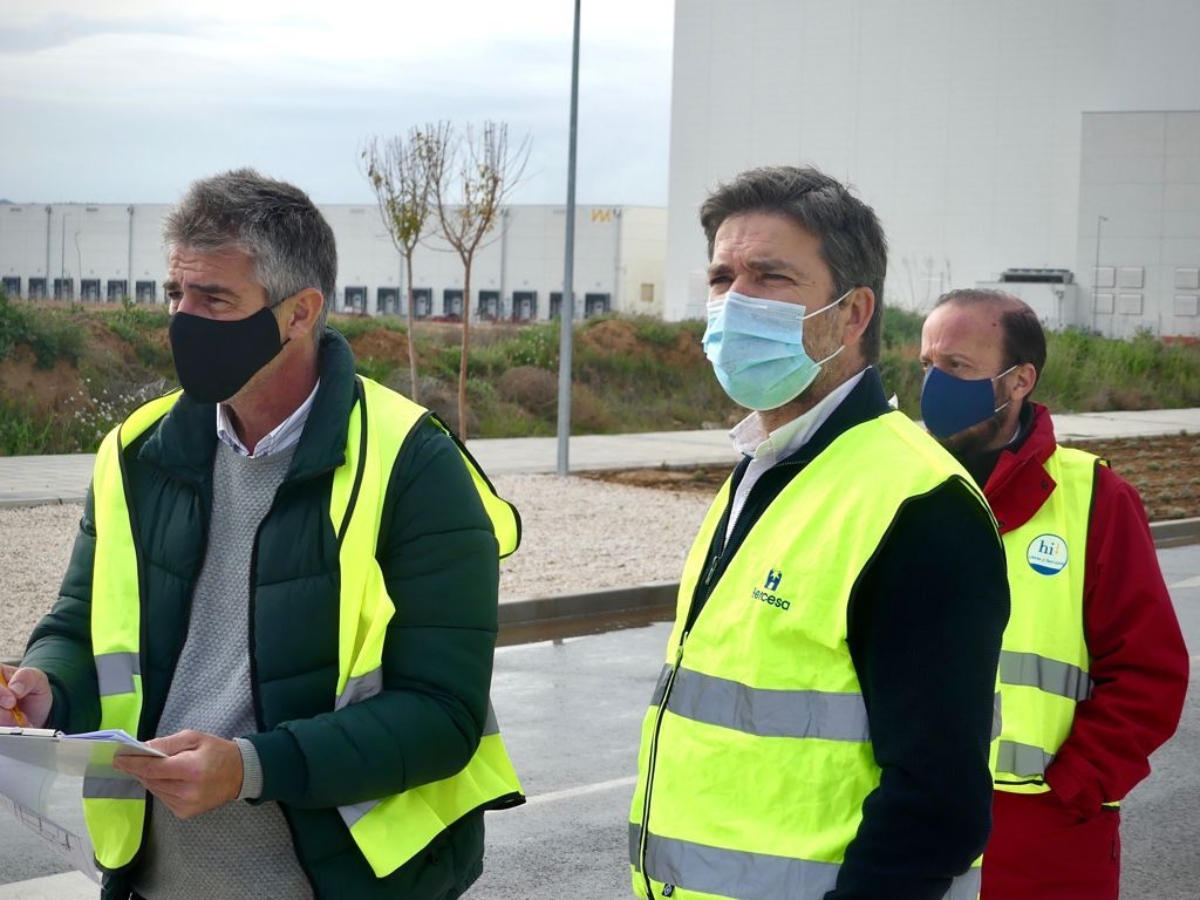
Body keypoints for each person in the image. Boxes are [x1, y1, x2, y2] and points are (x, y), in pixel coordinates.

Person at [0, 169, 524, 900]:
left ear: (300, 312)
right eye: (175, 295)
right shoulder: (135, 452)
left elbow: (442, 715)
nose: (184, 320)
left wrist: (250, 766)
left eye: (214, 299)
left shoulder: (412, 463)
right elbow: (83, 627)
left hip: (336, 883)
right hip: (155, 881)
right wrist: (45, 690)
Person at [627, 165, 1010, 900]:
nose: (734, 301)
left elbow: (937, 805)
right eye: (720, 276)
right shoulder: (762, 467)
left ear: (853, 313)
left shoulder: (919, 505)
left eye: (770, 277)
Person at [918, 288, 1189, 900]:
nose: (935, 385)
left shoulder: (1095, 498)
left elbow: (1151, 674)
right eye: (926, 366)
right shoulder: (902, 488)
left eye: (957, 367)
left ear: (1020, 381)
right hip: (912, 820)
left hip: (1043, 838)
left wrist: (1075, 787)